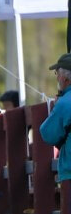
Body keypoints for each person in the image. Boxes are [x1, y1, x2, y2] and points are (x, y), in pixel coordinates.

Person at [40, 54, 71, 202]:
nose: (57, 78)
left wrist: (55, 108)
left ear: (66, 78)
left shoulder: (64, 103)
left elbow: (46, 133)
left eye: (57, 73)